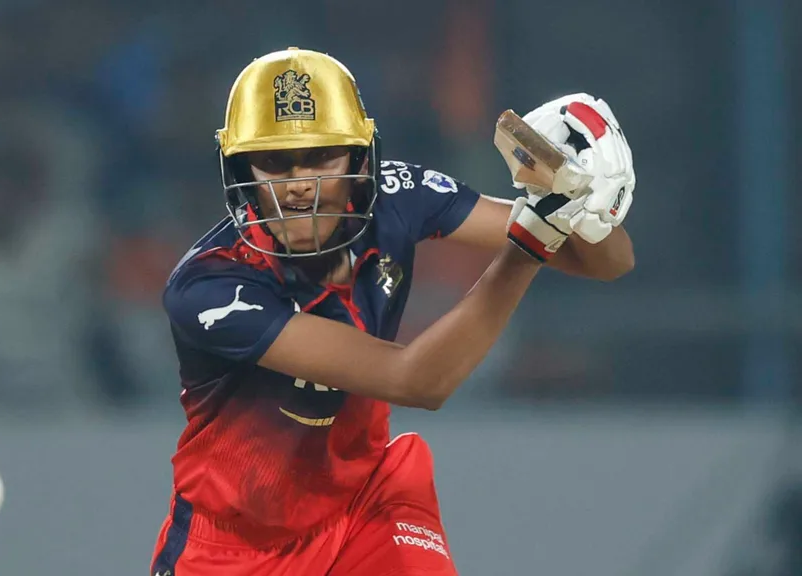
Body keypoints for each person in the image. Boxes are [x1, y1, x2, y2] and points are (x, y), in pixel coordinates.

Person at [150, 47, 636, 576]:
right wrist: (528, 245)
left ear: (362, 159)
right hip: (234, 550)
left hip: (364, 503)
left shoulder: (398, 194)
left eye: (320, 158)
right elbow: (418, 382)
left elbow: (607, 262)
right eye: (273, 161)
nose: (296, 186)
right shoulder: (209, 286)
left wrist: (587, 197)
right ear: (238, 167)